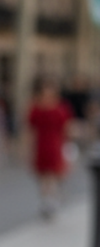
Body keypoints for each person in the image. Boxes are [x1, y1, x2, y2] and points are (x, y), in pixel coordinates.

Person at [27, 79, 73, 220]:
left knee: (53, 173)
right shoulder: (36, 108)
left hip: (55, 143)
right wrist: (27, 148)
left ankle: (51, 200)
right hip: (41, 144)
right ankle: (46, 201)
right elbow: (30, 130)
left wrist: (68, 147)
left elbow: (67, 129)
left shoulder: (61, 108)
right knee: (43, 175)